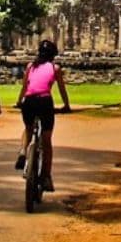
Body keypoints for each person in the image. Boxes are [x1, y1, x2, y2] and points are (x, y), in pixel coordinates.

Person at [15, 40, 71, 192]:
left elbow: (25, 87)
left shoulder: (30, 66)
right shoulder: (55, 68)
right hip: (45, 102)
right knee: (46, 141)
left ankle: (22, 151)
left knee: (28, 128)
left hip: (29, 101)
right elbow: (61, 89)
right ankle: (46, 176)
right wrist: (66, 106)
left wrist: (19, 102)